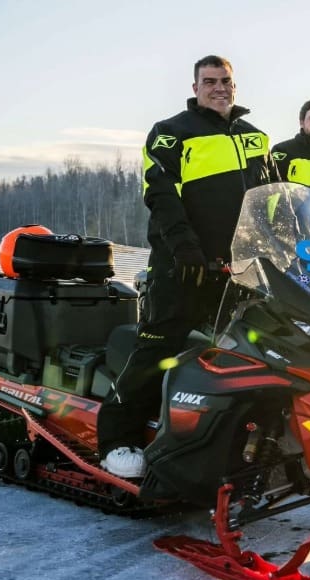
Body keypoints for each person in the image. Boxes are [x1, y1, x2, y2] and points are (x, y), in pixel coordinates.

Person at [97, 55, 274, 478]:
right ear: (195, 87)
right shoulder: (170, 134)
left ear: (236, 86)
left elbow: (270, 202)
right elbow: (160, 197)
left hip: (241, 273)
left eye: (225, 81)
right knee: (158, 351)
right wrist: (187, 252)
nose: (219, 87)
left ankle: (242, 441)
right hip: (182, 268)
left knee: (248, 357)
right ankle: (115, 441)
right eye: (209, 81)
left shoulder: (256, 138)